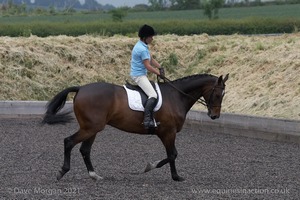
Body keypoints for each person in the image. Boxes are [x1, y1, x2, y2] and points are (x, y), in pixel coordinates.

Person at [130, 24, 164, 129]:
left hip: (140, 73)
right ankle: (147, 120)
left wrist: (160, 67)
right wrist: (158, 73)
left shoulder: (142, 45)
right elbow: (148, 66)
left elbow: (151, 59)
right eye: (151, 37)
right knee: (153, 95)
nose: (152, 38)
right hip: (139, 76)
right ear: (145, 37)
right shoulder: (142, 49)